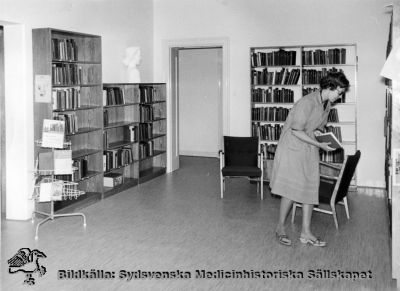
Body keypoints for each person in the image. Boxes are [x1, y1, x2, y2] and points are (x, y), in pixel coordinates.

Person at [270, 71, 350, 247]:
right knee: (291, 190)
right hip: (292, 148)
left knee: (310, 187)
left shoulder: (327, 104)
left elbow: (316, 128)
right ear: (330, 87)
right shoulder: (307, 103)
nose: (340, 96)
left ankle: (306, 232)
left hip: (308, 147)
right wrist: (320, 145)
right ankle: (280, 228)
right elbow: (296, 130)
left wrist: (322, 136)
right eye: (339, 92)